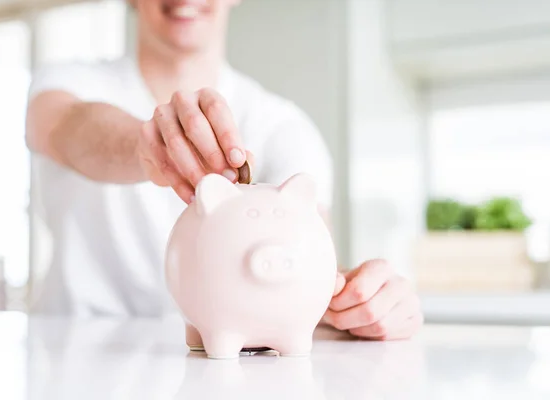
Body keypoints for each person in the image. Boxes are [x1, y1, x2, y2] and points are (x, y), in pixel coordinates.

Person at [25, 0, 422, 340]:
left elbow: (307, 258)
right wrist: (145, 145)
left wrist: (361, 300)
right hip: (70, 356)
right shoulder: (66, 83)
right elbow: (69, 128)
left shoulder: (284, 126)